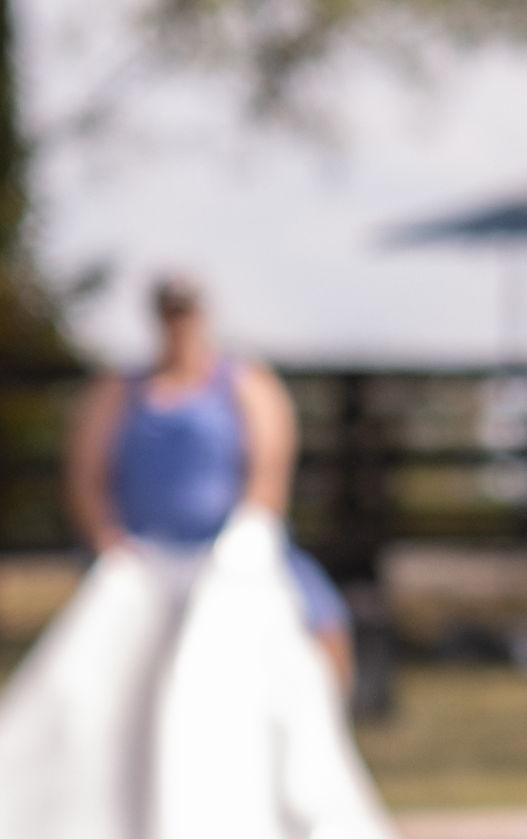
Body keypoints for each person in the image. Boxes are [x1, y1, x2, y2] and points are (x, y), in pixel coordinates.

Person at [69, 270, 347, 646]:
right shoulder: (118, 389)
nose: (179, 321)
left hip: (228, 550)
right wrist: (108, 541)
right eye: (170, 311)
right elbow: (86, 475)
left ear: (203, 313)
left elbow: (269, 470)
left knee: (323, 623)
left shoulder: (245, 382)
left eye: (186, 310)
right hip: (140, 554)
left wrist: (244, 540)